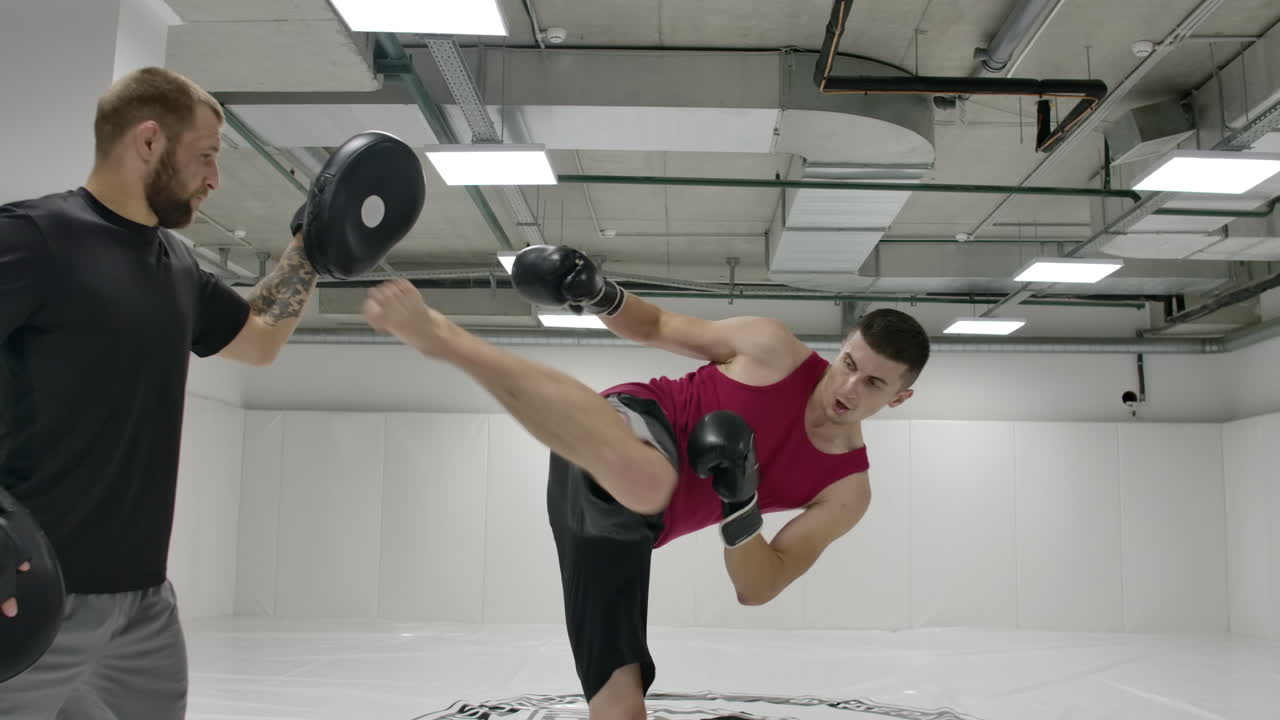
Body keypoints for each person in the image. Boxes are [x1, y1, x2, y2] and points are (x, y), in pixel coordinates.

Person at [361, 243, 931, 720]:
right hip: (629, 426)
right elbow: (656, 325)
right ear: (842, 349)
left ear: (900, 397)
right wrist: (597, 293)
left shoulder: (847, 489)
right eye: (850, 364)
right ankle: (448, 341)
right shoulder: (770, 346)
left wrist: (741, 504)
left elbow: (759, 586)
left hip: (626, 525)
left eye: (875, 384)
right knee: (649, 478)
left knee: (620, 713)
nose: (850, 388)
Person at [0, 67, 321, 717]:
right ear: (148, 142)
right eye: (205, 156)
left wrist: (313, 244)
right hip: (29, 600)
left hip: (145, 613)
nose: (214, 178)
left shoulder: (174, 267)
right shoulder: (34, 239)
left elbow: (258, 338)